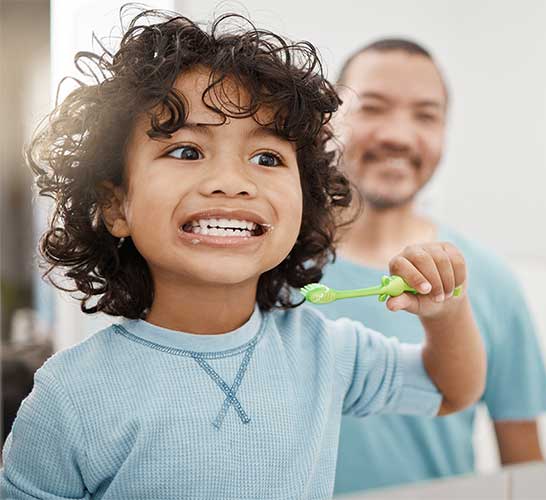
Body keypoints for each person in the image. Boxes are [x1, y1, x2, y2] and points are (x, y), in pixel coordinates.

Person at [0, 10, 486, 500]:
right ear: (115, 205)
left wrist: (447, 313)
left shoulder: (325, 352)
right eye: (187, 151)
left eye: (267, 158)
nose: (232, 183)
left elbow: (451, 391)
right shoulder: (70, 394)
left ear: (305, 199)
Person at [327, 38, 546, 495]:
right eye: (372, 107)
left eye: (425, 115)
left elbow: (527, 469)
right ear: (331, 120)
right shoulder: (270, 266)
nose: (398, 135)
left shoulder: (489, 280)